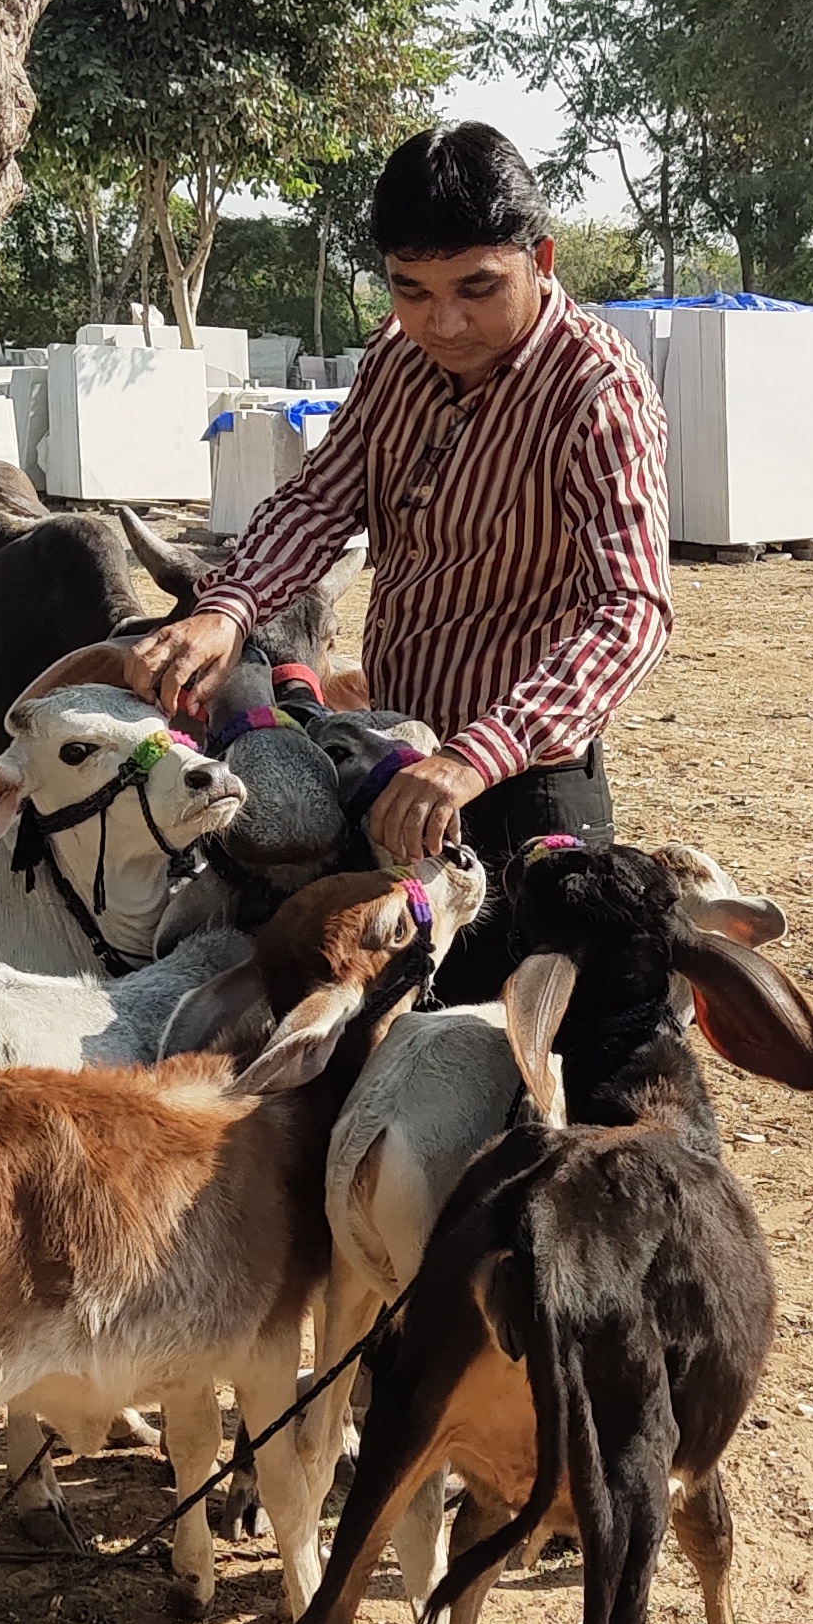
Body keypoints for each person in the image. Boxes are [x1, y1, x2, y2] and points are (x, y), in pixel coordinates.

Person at [123, 123, 670, 994]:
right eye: (411, 291)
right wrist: (223, 611)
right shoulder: (396, 358)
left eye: (477, 288)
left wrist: (474, 756)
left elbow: (631, 610)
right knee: (387, 1027)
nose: (443, 323)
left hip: (527, 774)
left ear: (544, 258)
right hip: (392, 756)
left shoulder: (597, 392)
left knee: (541, 1051)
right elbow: (315, 504)